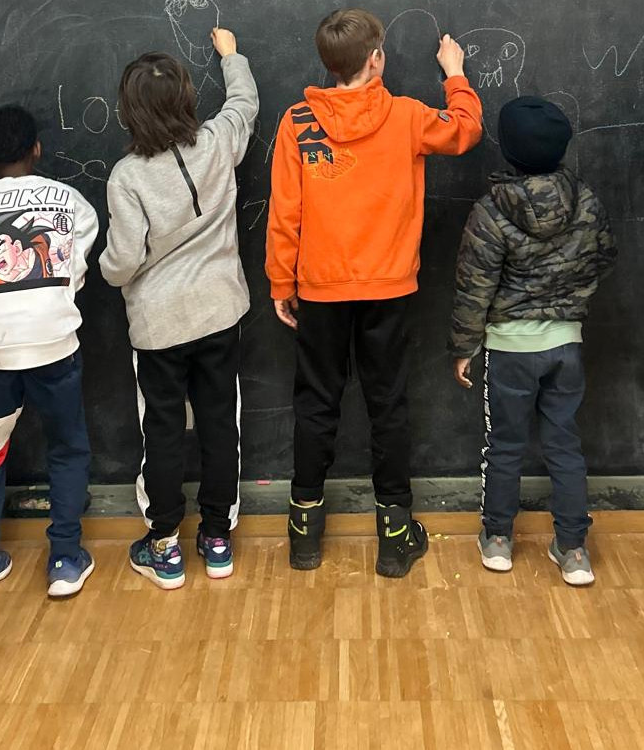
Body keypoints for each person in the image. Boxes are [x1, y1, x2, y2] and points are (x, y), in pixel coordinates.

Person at [266, 8, 482, 577]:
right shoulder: (407, 116)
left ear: (327, 63)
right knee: (387, 405)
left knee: (316, 403)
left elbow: (285, 212)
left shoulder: (298, 121)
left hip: (320, 288)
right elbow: (465, 130)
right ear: (377, 59)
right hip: (388, 287)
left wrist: (281, 281)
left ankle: (304, 534)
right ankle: (394, 536)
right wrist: (455, 74)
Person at [100, 28, 258, 589]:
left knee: (163, 429)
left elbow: (122, 260)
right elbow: (244, 104)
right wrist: (231, 57)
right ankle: (217, 537)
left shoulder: (128, 177)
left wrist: (109, 271)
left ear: (129, 112)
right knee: (219, 423)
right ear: (187, 98)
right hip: (219, 313)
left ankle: (164, 543)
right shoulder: (216, 143)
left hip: (160, 325)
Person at [448, 96, 617, 586]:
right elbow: (604, 257)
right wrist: (571, 299)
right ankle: (574, 549)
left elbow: (474, 287)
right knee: (564, 444)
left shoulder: (490, 211)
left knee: (504, 444)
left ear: (508, 149)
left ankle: (498, 538)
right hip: (566, 345)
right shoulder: (586, 200)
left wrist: (464, 346)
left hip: (509, 349)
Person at [0, 104, 99, 604]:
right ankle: (65, 558)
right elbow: (76, 269)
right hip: (54, 343)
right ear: (37, 149)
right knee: (67, 447)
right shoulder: (72, 202)